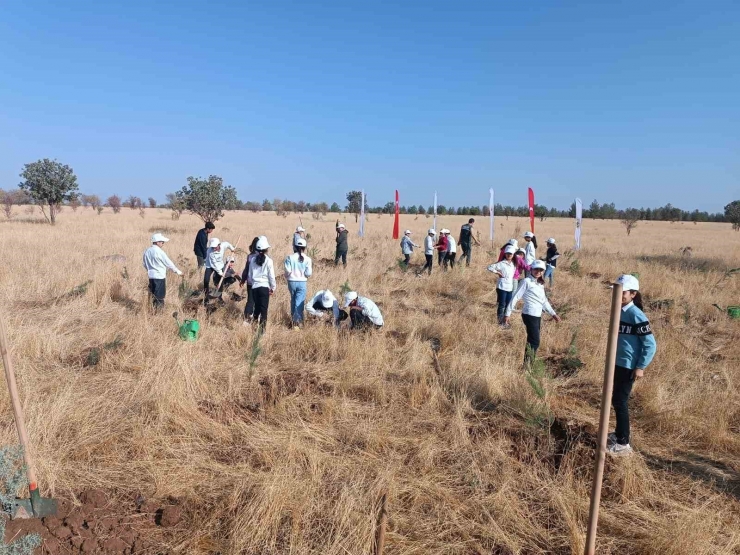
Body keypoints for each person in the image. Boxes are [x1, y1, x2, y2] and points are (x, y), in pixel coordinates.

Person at [608, 274, 657, 456]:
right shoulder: (619, 310)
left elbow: (650, 344)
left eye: (623, 292)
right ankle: (619, 433)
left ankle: (623, 443)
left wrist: (641, 366)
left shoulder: (636, 315)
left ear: (633, 294)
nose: (618, 294)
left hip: (628, 365)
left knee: (620, 401)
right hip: (617, 362)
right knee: (615, 399)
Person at [504, 260, 561, 366]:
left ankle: (529, 364)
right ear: (531, 269)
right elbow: (515, 297)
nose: (538, 272)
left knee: (533, 340)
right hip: (529, 314)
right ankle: (527, 366)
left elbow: (544, 301)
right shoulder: (526, 281)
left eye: (541, 270)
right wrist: (507, 313)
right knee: (535, 341)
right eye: (536, 269)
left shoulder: (540, 284)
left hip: (537, 315)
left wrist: (553, 314)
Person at [142, 233, 183, 309]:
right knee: (159, 297)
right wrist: (178, 271)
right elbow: (169, 263)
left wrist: (150, 270)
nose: (163, 243)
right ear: (157, 242)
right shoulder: (160, 252)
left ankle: (152, 310)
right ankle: (158, 314)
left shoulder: (147, 251)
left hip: (151, 276)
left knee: (152, 295)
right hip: (160, 277)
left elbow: (144, 264)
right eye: (162, 242)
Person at [246, 236, 276, 330]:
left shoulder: (252, 260)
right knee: (264, 311)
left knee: (257, 308)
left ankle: (254, 325)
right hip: (264, 288)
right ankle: (261, 331)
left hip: (254, 287)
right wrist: (273, 287)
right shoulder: (269, 261)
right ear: (266, 249)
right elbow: (271, 276)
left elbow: (250, 275)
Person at [284, 238, 313, 329]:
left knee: (293, 300)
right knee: (299, 301)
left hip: (291, 282)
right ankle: (297, 322)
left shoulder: (289, 257)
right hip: (302, 282)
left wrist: (289, 276)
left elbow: (287, 271)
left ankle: (293, 319)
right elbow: (308, 273)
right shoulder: (308, 259)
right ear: (304, 247)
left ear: (295, 247)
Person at [487, 244, 517, 325]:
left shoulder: (514, 264)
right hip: (502, 287)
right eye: (507, 254)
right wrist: (497, 272)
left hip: (509, 287)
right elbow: (489, 267)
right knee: (502, 304)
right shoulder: (501, 263)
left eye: (510, 254)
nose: (509, 255)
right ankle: (500, 321)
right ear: (505, 254)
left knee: (508, 305)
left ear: (513, 255)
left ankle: (506, 320)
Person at [241, 237, 260, 321]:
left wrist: (243, 279)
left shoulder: (250, 256)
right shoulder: (263, 257)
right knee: (258, 301)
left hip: (250, 282)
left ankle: (246, 318)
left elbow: (246, 269)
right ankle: (256, 317)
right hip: (259, 282)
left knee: (250, 300)